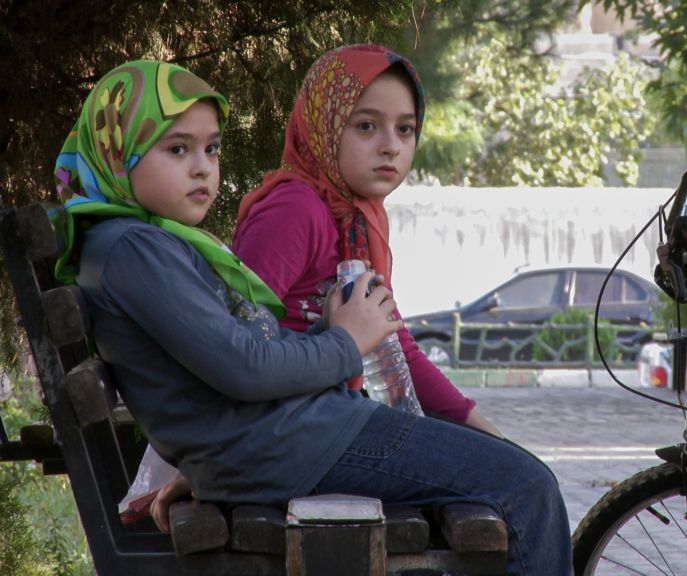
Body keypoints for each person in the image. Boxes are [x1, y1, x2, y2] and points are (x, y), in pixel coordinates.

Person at [54, 60, 572, 574]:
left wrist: (333, 333)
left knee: (513, 475)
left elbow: (236, 354)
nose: (202, 166)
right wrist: (346, 341)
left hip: (290, 439)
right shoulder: (135, 251)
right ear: (116, 151)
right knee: (527, 487)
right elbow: (245, 366)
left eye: (211, 148)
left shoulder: (142, 243)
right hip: (297, 443)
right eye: (176, 148)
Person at [232, 44, 501, 435]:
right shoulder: (295, 209)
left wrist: (486, 431)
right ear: (325, 125)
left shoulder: (362, 219)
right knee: (509, 480)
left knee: (505, 468)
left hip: (333, 417)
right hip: (284, 433)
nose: (391, 145)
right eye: (366, 126)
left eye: (405, 129)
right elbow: (233, 341)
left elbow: (393, 342)